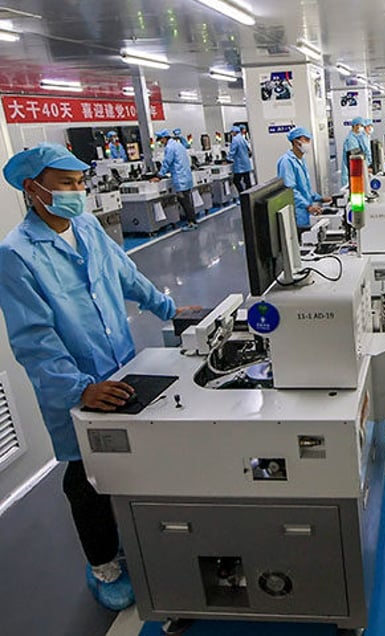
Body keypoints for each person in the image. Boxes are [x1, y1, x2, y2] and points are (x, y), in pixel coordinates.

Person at [0, 143, 198, 612]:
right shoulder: (15, 254)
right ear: (34, 190)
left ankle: (135, 535)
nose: (78, 192)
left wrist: (169, 309)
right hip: (75, 386)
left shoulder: (87, 227)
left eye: (79, 183)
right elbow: (34, 339)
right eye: (66, 184)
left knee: (128, 458)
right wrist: (78, 390)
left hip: (121, 363)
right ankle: (103, 566)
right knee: (84, 476)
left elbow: (127, 276)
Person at [277, 127, 331, 239]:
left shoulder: (301, 160)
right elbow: (289, 189)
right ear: (296, 142)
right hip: (298, 213)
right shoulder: (287, 162)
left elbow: (305, 188)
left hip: (305, 213)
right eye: (306, 139)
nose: (308, 143)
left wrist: (320, 198)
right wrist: (307, 206)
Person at [151, 129, 196, 230]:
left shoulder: (170, 147)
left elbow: (167, 162)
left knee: (185, 202)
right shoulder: (178, 145)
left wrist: (159, 176)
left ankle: (192, 223)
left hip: (180, 179)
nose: (160, 142)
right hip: (186, 177)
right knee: (187, 201)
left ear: (164, 138)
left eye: (160, 140)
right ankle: (192, 220)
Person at [341, 116, 369, 187]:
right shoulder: (351, 140)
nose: (362, 127)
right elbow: (356, 158)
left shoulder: (359, 137)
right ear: (355, 126)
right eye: (361, 125)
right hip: (352, 175)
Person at [227, 125, 253, 193]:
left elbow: (232, 151)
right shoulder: (243, 138)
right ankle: (249, 195)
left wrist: (228, 158)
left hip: (239, 165)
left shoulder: (235, 139)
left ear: (234, 132)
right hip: (246, 163)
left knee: (236, 181)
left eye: (232, 132)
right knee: (247, 181)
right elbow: (249, 149)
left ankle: (242, 194)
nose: (232, 134)